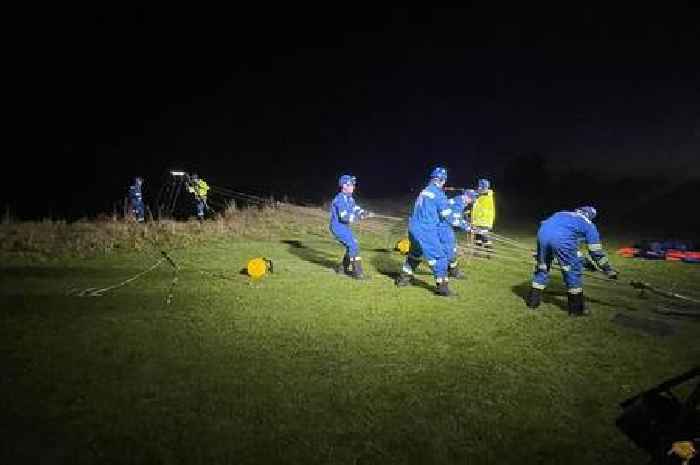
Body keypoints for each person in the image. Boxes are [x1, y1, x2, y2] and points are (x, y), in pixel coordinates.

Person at [526, 206, 619, 316]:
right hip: (561, 240)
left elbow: (545, 224)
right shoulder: (589, 225)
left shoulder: (562, 213)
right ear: (590, 216)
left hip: (543, 234)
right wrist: (608, 269)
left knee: (542, 267)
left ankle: (532, 302)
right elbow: (595, 251)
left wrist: (542, 250)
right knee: (572, 273)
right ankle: (576, 310)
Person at [395, 167, 455, 296]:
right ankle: (442, 287)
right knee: (439, 257)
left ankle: (404, 277)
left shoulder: (425, 190)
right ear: (443, 180)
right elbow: (448, 216)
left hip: (413, 227)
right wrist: (462, 223)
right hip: (426, 229)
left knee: (415, 253)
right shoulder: (439, 194)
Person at [329, 174, 371, 279]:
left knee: (351, 245)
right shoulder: (340, 199)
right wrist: (359, 218)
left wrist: (363, 212)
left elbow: (355, 208)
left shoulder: (350, 199)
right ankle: (358, 273)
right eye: (351, 184)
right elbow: (344, 217)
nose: (353, 187)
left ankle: (342, 269)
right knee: (353, 245)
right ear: (344, 186)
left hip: (344, 227)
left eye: (353, 184)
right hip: (338, 227)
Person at [438, 189, 477, 279]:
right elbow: (455, 221)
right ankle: (453, 271)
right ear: (467, 197)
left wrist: (468, 225)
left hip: (443, 225)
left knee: (449, 248)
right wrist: (468, 227)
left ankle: (451, 269)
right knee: (451, 249)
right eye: (472, 199)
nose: (471, 202)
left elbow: (457, 217)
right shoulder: (459, 203)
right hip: (443, 227)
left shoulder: (458, 200)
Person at [471, 178, 495, 256]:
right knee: (478, 236)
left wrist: (473, 193)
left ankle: (489, 252)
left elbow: (481, 194)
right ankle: (478, 252)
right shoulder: (481, 195)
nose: (478, 188)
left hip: (484, 220)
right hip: (479, 220)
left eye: (480, 186)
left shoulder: (487, 194)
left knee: (485, 236)